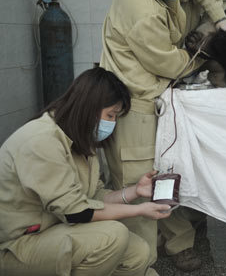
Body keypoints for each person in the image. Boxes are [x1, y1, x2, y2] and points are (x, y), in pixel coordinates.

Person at [100, 0, 226, 271]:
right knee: (138, 187)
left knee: (162, 178)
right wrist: (203, 53)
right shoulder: (143, 14)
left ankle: (162, 246)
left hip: (154, 96)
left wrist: (221, 16)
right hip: (135, 104)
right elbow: (170, 64)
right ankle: (140, 266)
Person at [0, 67, 171, 276]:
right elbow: (77, 212)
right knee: (113, 235)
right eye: (110, 115)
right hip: (17, 244)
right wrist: (139, 210)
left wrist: (135, 191)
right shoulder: (41, 141)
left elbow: (93, 196)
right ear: (88, 106)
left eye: (116, 117)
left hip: (53, 229)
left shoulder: (80, 141)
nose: (112, 123)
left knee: (139, 253)